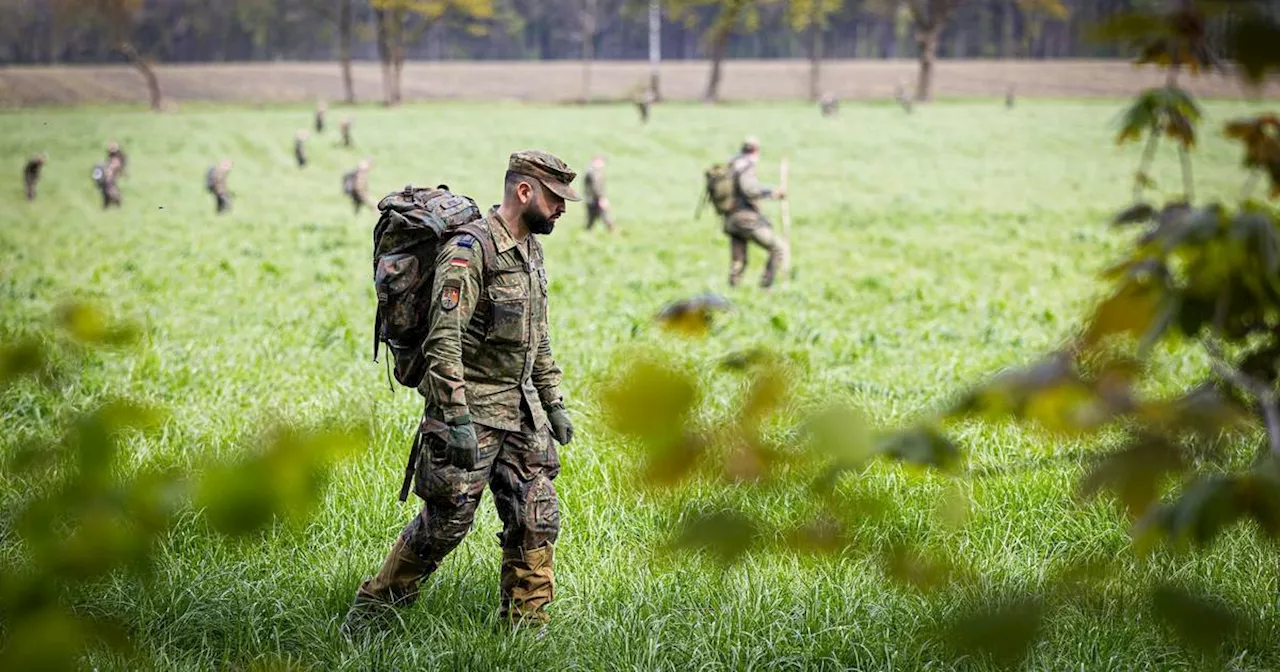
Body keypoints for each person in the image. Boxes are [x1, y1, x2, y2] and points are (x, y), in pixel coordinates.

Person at [342, 150, 578, 634]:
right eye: (556, 198)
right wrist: (458, 418)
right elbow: (442, 342)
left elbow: (539, 337)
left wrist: (552, 400)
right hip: (472, 410)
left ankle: (525, 629)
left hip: (524, 412)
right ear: (524, 191)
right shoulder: (469, 251)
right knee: (446, 523)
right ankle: (371, 613)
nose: (563, 208)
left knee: (536, 517)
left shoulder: (531, 248)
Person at [723, 136, 789, 289]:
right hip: (746, 218)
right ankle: (765, 288)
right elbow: (749, 190)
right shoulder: (746, 166)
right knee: (778, 248)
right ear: (756, 150)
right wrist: (772, 192)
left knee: (738, 260)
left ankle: (733, 291)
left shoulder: (732, 165)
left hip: (731, 219)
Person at [582, 154, 615, 232]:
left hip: (591, 200)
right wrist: (601, 198)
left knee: (591, 221)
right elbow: (595, 187)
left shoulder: (593, 171)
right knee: (606, 218)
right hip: (594, 200)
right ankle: (614, 235)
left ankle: (586, 235)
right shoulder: (593, 173)